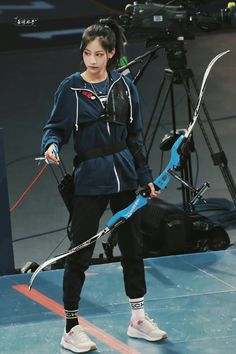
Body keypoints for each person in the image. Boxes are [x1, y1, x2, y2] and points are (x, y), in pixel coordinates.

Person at [41, 18, 167, 353]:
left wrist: (146, 178)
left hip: (125, 176)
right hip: (90, 179)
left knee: (132, 248)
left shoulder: (125, 88)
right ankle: (71, 328)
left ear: (111, 54)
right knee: (80, 253)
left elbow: (135, 137)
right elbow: (54, 129)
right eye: (87, 53)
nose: (92, 60)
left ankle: (138, 318)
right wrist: (50, 146)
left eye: (99, 54)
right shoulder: (70, 88)